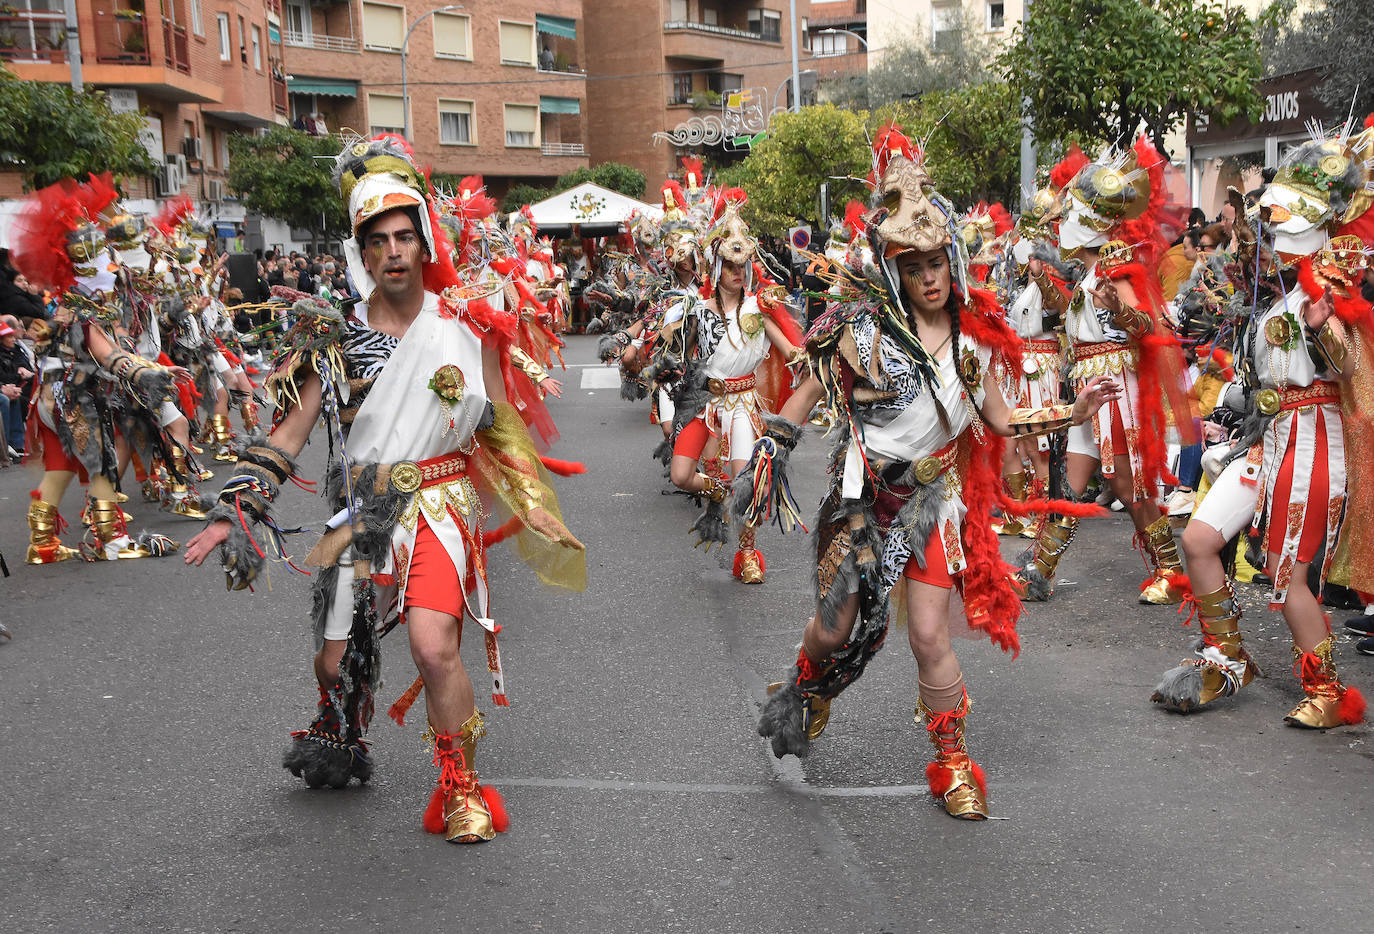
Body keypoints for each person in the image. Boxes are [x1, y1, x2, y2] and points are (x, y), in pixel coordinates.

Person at [185, 134, 585, 845]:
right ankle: (340, 721)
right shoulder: (329, 338)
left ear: (423, 238)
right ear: (361, 253)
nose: (395, 250)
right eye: (380, 240)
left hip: (440, 502)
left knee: (434, 647)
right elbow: (287, 435)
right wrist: (237, 508)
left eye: (406, 235)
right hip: (362, 510)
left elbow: (496, 421)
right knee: (335, 661)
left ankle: (460, 786)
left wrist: (535, 504)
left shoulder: (467, 321)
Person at [748, 126, 1119, 819]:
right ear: (894, 268)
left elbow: (1003, 423)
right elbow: (805, 388)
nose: (927, 275)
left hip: (929, 508)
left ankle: (952, 762)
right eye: (912, 263)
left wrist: (1076, 408)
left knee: (928, 634)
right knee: (834, 631)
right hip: (862, 502)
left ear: (952, 262)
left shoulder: (974, 344)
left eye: (936, 261)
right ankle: (806, 686)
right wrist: (771, 448)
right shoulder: (862, 330)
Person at [1153, 128, 1371, 727]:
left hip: (1315, 448)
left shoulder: (1336, 290)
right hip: (1267, 445)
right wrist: (1233, 392)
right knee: (1197, 541)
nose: (1269, 238)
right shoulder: (1282, 297)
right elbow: (1265, 378)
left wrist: (1327, 325)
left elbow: (1348, 366)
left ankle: (1327, 692)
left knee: (1288, 578)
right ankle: (1227, 654)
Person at [1012, 139, 1196, 606]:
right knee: (1070, 483)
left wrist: (1121, 312)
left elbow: (1145, 327)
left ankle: (1171, 572)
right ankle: (1040, 569)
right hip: (1093, 391)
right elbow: (1076, 322)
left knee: (1124, 484)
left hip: (1116, 391)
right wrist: (1047, 289)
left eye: (1070, 214)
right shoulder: (1090, 277)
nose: (1062, 224)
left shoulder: (1117, 271)